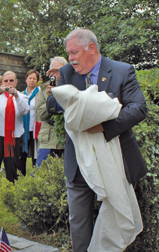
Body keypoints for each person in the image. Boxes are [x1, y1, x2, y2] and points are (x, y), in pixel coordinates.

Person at [47, 29, 147, 251]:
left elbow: (139, 108)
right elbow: (52, 108)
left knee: (117, 217)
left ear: (91, 48)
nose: (70, 58)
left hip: (117, 161)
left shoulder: (122, 71)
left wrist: (103, 126)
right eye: (68, 54)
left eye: (74, 53)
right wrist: (56, 94)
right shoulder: (65, 72)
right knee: (79, 221)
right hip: (79, 163)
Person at [0, 71, 30, 202]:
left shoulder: (22, 96)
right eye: (6, 81)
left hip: (14, 135)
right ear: (2, 82)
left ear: (16, 82)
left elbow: (24, 111)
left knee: (13, 166)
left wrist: (16, 96)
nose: (8, 83)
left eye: (11, 81)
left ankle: (14, 196)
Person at [35, 57, 68, 166]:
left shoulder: (72, 86)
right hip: (48, 140)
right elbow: (41, 115)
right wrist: (51, 99)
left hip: (67, 140)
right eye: (53, 70)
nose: (56, 74)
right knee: (42, 175)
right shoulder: (44, 89)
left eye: (59, 70)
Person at [19, 69, 40, 175]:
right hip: (24, 128)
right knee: (22, 152)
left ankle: (36, 174)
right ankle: (21, 174)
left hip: (35, 127)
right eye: (30, 78)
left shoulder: (40, 94)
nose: (32, 80)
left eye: (34, 78)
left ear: (37, 81)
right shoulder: (21, 94)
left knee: (36, 151)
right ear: (26, 79)